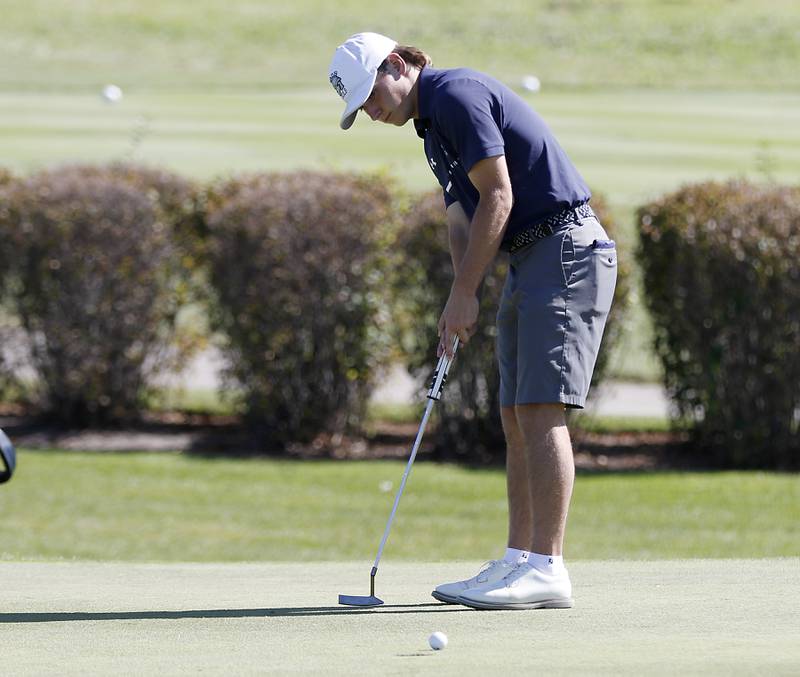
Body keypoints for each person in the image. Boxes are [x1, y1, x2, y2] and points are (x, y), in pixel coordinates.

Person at [328, 32, 617, 610]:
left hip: (564, 250)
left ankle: (547, 566)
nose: (371, 109)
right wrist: (461, 298)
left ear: (396, 64)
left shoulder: (455, 94)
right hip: (531, 261)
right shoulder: (431, 128)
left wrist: (466, 292)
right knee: (515, 414)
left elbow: (500, 197)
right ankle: (517, 560)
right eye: (359, 105)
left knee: (540, 409)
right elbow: (462, 217)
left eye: (370, 93)